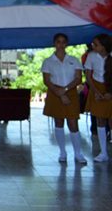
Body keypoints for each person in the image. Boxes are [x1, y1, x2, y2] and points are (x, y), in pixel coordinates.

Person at [41, 33, 86, 164]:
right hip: (54, 92)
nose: (61, 45)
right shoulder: (48, 61)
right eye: (58, 42)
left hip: (70, 92)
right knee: (59, 121)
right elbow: (47, 80)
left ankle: (78, 153)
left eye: (63, 42)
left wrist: (65, 90)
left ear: (67, 44)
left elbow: (78, 78)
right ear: (54, 43)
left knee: (73, 122)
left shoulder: (74, 60)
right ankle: (62, 152)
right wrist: (59, 92)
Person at [84, 33, 112, 162]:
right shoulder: (91, 56)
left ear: (104, 46)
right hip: (97, 88)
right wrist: (95, 91)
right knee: (100, 120)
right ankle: (103, 152)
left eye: (96, 44)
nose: (93, 46)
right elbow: (88, 77)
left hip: (110, 88)